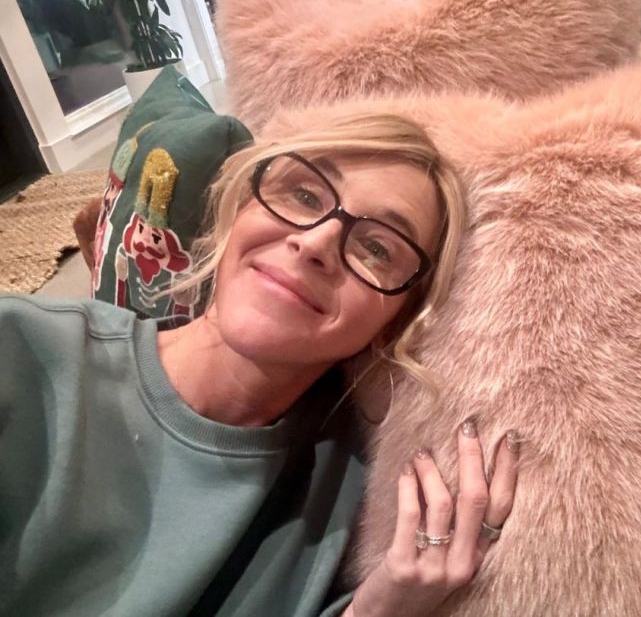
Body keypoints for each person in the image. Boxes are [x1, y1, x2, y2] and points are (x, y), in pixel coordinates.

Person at [0, 113, 519, 616]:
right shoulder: (22, 351)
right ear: (241, 208)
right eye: (305, 196)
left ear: (395, 320)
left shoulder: (360, 500)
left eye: (377, 247)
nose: (315, 241)